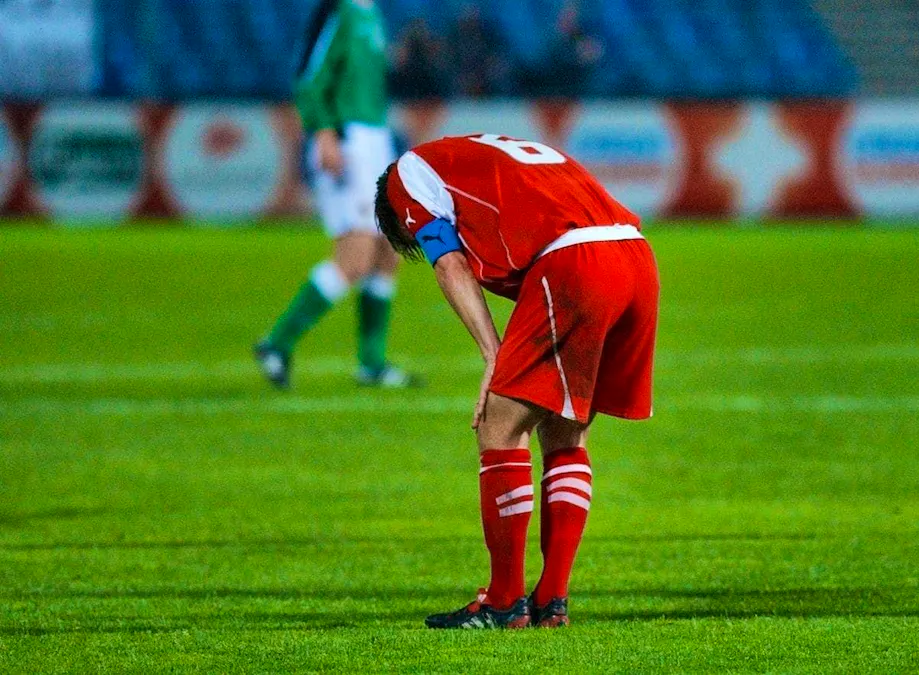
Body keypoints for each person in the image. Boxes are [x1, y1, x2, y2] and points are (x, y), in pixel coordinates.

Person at [374, 134, 659, 628]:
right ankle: (552, 600)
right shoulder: (488, 155)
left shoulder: (405, 177)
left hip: (577, 261)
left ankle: (504, 602)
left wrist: (493, 354)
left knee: (499, 427)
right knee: (566, 429)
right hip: (635, 258)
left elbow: (449, 262)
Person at [255, 0, 420, 389]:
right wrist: (324, 132)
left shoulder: (370, 12)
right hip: (348, 140)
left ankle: (371, 364)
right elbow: (310, 77)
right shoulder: (341, 11)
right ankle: (277, 343)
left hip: (375, 137)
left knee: (388, 251)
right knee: (355, 256)